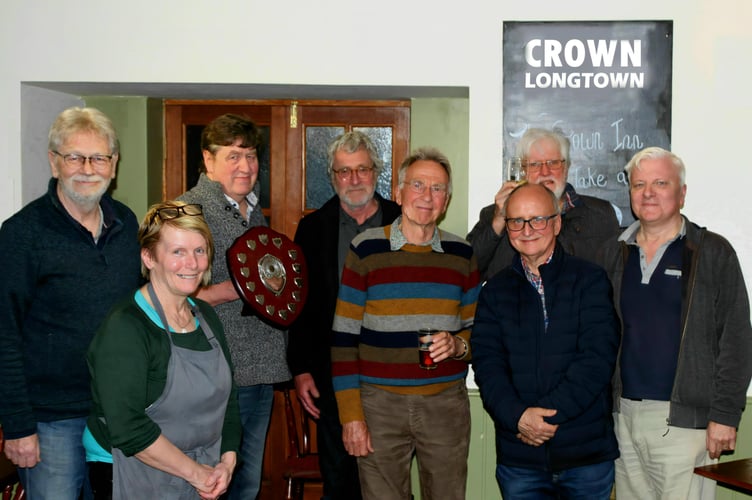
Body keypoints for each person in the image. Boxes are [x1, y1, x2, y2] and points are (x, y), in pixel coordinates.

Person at [0, 107, 142, 499]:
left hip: (115, 411)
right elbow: (4, 335)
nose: (87, 168)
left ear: (113, 165)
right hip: (50, 422)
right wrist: (17, 425)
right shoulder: (21, 235)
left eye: (98, 157)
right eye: (74, 157)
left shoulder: (127, 225)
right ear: (54, 162)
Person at [601, 147, 752, 500]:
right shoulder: (614, 252)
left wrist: (725, 415)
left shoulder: (712, 252)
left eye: (660, 183)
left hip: (684, 423)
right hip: (622, 417)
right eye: (639, 184)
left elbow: (737, 338)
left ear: (681, 193)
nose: (648, 192)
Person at [331, 147, 481, 500]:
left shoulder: (462, 255)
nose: (427, 197)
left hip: (445, 404)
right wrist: (351, 416)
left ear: (446, 201)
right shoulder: (365, 249)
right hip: (379, 405)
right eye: (418, 185)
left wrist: (459, 345)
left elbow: (479, 334)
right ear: (398, 193)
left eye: (438, 189)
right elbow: (343, 339)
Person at [471, 182, 620, 499]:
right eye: (517, 221)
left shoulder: (590, 280)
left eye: (537, 219)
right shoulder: (494, 291)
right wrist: (519, 418)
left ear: (556, 222)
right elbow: (487, 365)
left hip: (586, 458)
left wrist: (545, 418)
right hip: (519, 460)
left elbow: (597, 359)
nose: (527, 230)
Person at [85, 201, 241, 500]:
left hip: (204, 472)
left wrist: (227, 462)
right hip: (131, 471)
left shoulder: (206, 317)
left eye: (200, 250)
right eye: (178, 252)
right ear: (149, 257)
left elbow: (229, 402)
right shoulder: (126, 328)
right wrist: (197, 473)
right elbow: (128, 429)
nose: (193, 264)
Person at [177, 113, 290, 499]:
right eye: (233, 156)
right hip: (214, 370)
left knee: (246, 482)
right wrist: (232, 291)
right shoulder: (186, 211)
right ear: (208, 161)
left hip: (259, 368)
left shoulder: (252, 211)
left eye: (252, 155)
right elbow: (163, 293)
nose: (245, 166)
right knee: (212, 482)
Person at [287, 131, 401, 499]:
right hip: (331, 372)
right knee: (338, 479)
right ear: (333, 177)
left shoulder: (402, 222)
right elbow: (300, 305)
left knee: (387, 477)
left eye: (362, 170)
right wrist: (300, 368)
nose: (353, 180)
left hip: (393, 373)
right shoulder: (312, 228)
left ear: (376, 172)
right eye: (343, 172)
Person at [467, 127, 620, 281]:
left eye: (553, 163)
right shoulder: (496, 215)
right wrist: (498, 222)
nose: (545, 172)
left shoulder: (600, 214)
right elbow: (466, 270)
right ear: (522, 171)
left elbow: (615, 279)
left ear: (566, 168)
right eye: (534, 165)